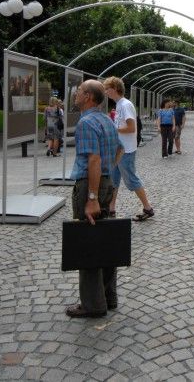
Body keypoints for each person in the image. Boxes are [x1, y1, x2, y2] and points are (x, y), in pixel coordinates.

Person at [66, 80, 123, 318]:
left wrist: (91, 197)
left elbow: (93, 160)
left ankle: (92, 304)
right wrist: (108, 176)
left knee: (88, 244)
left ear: (88, 96)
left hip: (90, 187)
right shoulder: (106, 120)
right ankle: (108, 298)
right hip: (105, 184)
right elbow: (120, 149)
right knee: (106, 243)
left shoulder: (86, 122)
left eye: (78, 92)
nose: (75, 95)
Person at [103, 77, 155, 221]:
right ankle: (111, 209)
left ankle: (148, 208)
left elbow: (131, 128)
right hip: (119, 149)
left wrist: (114, 129)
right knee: (113, 180)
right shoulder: (120, 104)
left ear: (114, 89)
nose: (105, 92)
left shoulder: (125, 105)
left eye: (107, 88)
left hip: (126, 150)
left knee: (131, 179)